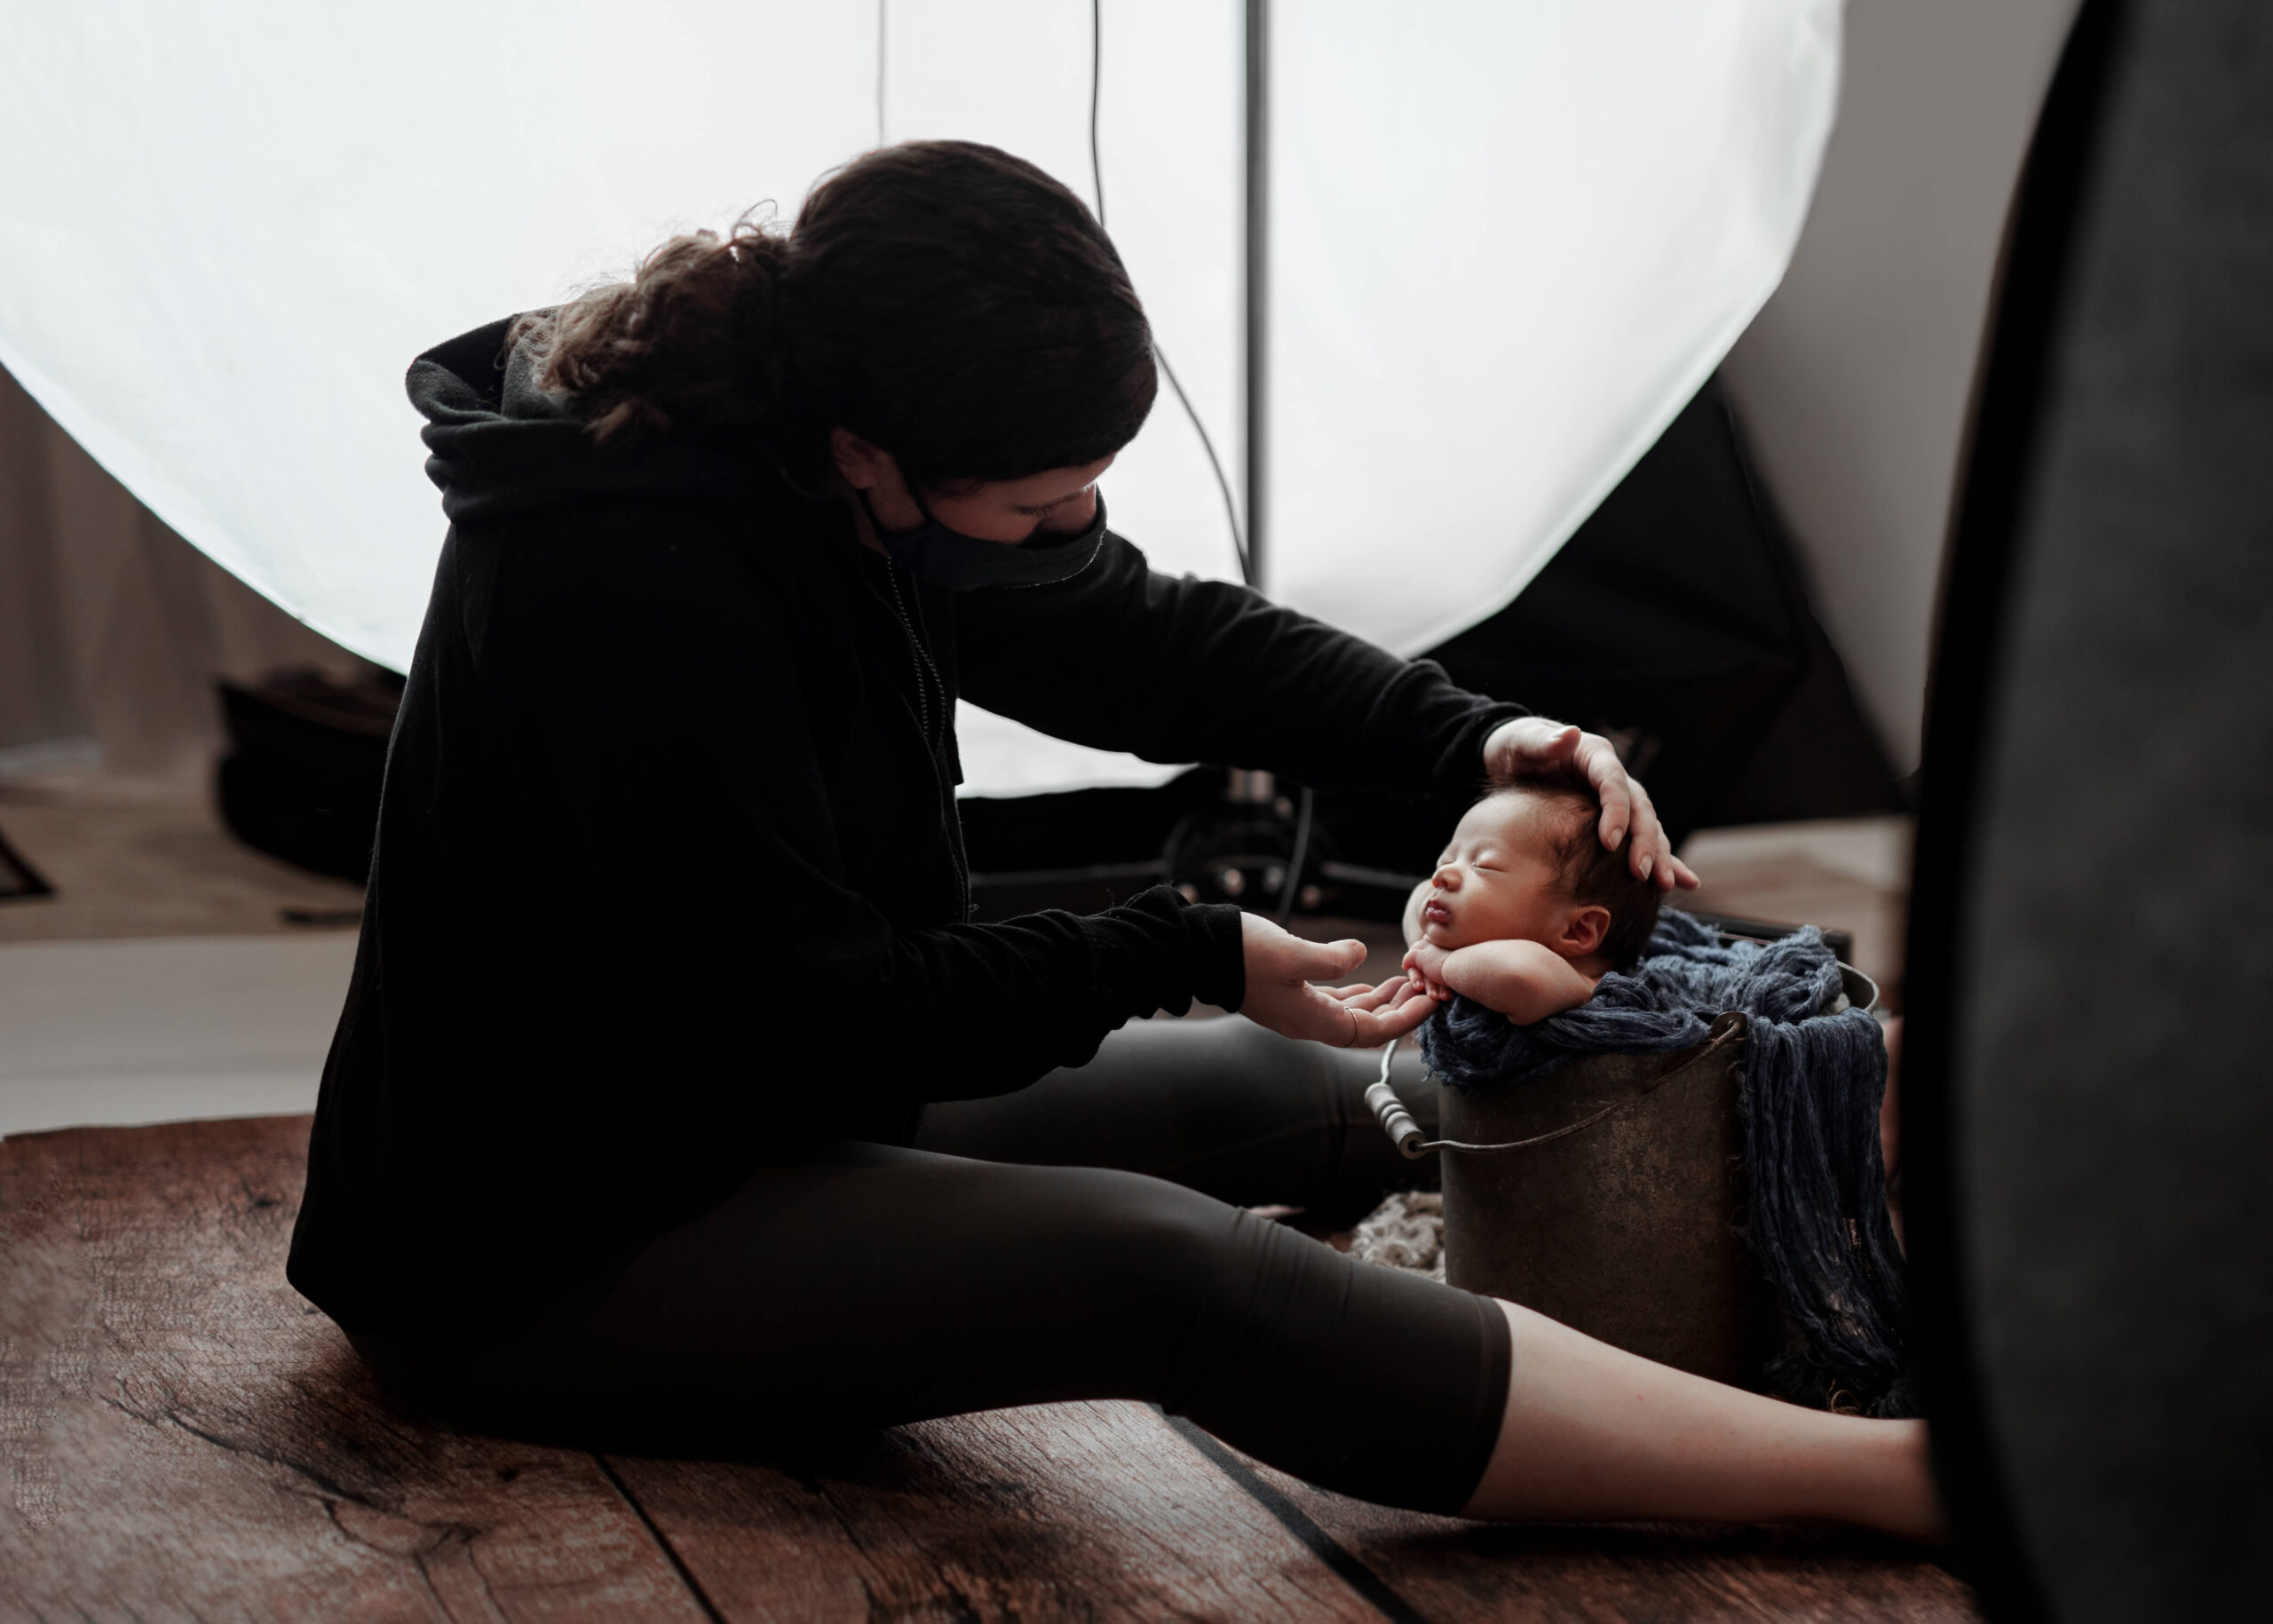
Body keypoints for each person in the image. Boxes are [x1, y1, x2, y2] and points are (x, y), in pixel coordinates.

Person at [288, 139, 1938, 1536]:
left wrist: (1475, 735)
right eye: (1036, 501)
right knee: (1177, 1269)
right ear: (872, 454)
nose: (1071, 528)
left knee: (1293, 1083)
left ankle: (1851, 1154)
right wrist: (1186, 944)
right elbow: (826, 1009)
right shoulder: (631, 586)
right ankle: (1897, 1475)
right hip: (548, 1237)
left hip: (760, 1092)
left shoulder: (825, 467)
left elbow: (1144, 638)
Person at [1401, 761, 1664, 1024]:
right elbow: (1419, 893)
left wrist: (1436, 961)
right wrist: (1422, 946)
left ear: (1577, 930)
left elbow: (1519, 975)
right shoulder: (1478, 942)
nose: (1440, 876)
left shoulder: (1566, 982)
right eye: (1446, 861)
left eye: (1483, 866)